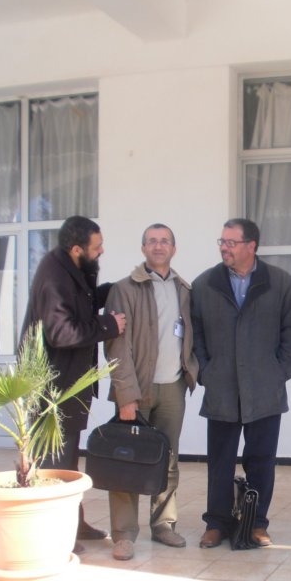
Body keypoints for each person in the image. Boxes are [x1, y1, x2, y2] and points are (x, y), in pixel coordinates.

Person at [191, 218, 291, 549]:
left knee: (261, 460)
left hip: (265, 388)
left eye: (231, 242)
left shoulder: (279, 282)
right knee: (220, 460)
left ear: (252, 246)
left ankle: (256, 523)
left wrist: (280, 370)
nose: (224, 248)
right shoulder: (204, 284)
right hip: (222, 388)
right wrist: (207, 372)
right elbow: (196, 336)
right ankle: (217, 522)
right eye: (222, 242)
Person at [20, 215, 126, 551]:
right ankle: (55, 536)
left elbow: (83, 305)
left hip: (68, 386)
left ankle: (73, 525)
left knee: (67, 462)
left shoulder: (71, 269)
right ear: (77, 249)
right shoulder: (54, 277)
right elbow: (63, 333)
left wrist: (119, 289)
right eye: (97, 247)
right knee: (55, 465)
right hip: (52, 390)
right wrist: (109, 326)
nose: (101, 251)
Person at [103, 223, 198, 561]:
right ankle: (124, 534)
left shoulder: (184, 289)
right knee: (126, 461)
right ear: (143, 248)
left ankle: (163, 524)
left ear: (174, 248)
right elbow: (116, 346)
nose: (159, 246)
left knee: (167, 460)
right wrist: (126, 395)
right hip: (136, 391)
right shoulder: (124, 289)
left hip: (173, 388)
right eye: (152, 241)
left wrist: (191, 372)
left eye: (165, 241)